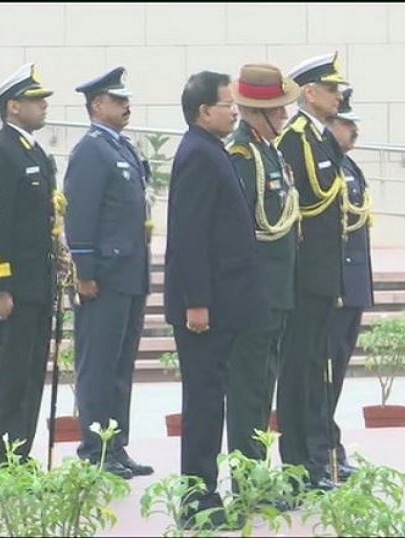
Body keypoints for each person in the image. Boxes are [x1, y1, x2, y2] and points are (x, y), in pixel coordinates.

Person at [164, 70, 269, 525]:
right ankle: (197, 502)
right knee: (204, 403)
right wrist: (197, 302)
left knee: (212, 398)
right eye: (227, 104)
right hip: (206, 308)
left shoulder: (214, 151)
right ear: (204, 111)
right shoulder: (197, 155)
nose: (234, 110)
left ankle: (206, 496)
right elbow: (190, 236)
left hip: (227, 302)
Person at [64, 67, 153, 479]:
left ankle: (116, 445)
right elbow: (80, 215)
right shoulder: (91, 150)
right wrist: (84, 269)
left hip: (129, 271)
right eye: (118, 100)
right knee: (99, 364)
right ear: (97, 105)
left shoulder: (123, 148)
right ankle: (95, 447)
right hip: (103, 274)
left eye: (126, 100)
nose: (126, 106)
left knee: (120, 364)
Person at [276, 51, 350, 490]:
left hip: (323, 275)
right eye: (332, 88)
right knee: (300, 370)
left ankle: (315, 456)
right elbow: (304, 207)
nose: (339, 95)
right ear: (309, 92)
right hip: (304, 276)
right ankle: (299, 462)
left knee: (315, 369)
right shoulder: (298, 138)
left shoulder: (320, 138)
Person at [225, 64, 301, 462]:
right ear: (256, 113)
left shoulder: (266, 152)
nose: (285, 117)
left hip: (276, 291)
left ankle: (256, 469)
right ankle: (246, 475)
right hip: (256, 294)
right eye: (278, 110)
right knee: (249, 390)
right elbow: (244, 230)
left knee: (262, 387)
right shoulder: (241, 155)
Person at [0, 64, 56, 465]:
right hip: (16, 285)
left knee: (32, 372)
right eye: (34, 101)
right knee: (12, 374)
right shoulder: (0, 151)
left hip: (40, 282)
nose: (43, 106)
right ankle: (6, 456)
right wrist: (1, 284)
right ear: (13, 107)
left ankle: (22, 451)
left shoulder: (34, 151)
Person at [324, 88, 374, 480]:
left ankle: (330, 448)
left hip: (351, 286)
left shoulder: (348, 167)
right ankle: (324, 450)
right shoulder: (326, 166)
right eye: (347, 123)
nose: (354, 130)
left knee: (336, 374)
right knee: (324, 375)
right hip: (333, 289)